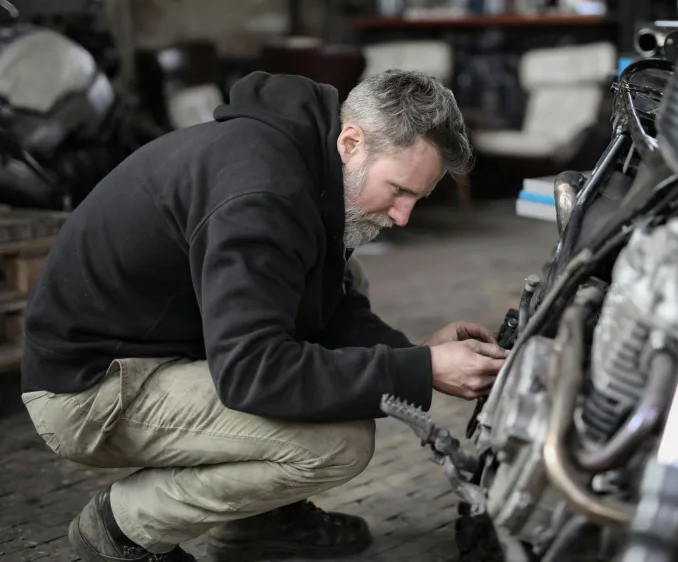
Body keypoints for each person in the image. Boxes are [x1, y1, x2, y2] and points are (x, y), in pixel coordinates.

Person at [20, 69, 509, 562]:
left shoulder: (308, 162)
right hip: (89, 390)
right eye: (399, 191)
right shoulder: (262, 197)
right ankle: (122, 528)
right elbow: (254, 372)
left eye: (417, 199)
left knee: (348, 279)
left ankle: (261, 520)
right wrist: (422, 371)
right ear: (351, 142)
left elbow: (328, 309)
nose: (403, 216)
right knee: (338, 443)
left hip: (163, 344)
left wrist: (417, 355)